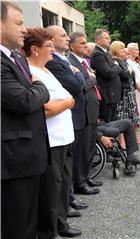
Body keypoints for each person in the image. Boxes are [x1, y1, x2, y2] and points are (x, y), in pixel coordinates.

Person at [1, 2, 50, 238]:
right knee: (17, 226)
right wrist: (40, 87)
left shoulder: (14, 58)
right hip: (13, 161)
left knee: (30, 221)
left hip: (29, 155)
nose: (24, 29)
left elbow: (31, 94)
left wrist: (35, 90)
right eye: (18, 23)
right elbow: (24, 101)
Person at [23, 27, 77, 239]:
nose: (52, 51)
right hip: (50, 140)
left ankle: (61, 223)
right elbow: (46, 109)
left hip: (63, 137)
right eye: (49, 46)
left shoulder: (46, 70)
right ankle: (49, 231)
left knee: (63, 184)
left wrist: (64, 102)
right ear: (35, 50)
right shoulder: (31, 73)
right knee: (50, 189)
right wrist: (68, 102)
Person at [45, 25, 89, 237]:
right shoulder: (52, 63)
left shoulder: (62, 61)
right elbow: (74, 86)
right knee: (59, 176)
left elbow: (79, 82)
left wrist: (79, 76)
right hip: (58, 130)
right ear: (50, 41)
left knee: (66, 171)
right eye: (62, 35)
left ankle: (66, 207)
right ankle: (60, 218)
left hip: (69, 124)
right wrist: (80, 75)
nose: (66, 37)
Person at [68, 31, 103, 191]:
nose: (85, 46)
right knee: (81, 150)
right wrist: (92, 78)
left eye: (85, 42)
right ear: (72, 46)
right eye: (81, 43)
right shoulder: (71, 62)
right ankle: (80, 182)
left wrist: (89, 79)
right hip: (81, 112)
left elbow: (86, 82)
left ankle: (86, 177)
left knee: (89, 148)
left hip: (91, 110)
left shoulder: (83, 62)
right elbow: (80, 86)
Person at [110, 41, 140, 146]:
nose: (124, 51)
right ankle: (122, 142)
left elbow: (130, 74)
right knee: (122, 117)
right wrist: (128, 71)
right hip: (123, 93)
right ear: (116, 50)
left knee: (132, 116)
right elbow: (124, 74)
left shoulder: (123, 61)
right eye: (122, 49)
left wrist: (129, 71)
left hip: (130, 90)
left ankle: (132, 139)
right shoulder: (115, 61)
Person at [90, 29, 122, 122]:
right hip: (107, 95)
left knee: (114, 122)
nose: (109, 40)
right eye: (106, 38)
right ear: (98, 40)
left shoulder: (105, 53)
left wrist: (115, 66)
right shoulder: (97, 54)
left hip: (112, 94)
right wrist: (117, 66)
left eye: (109, 38)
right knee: (109, 123)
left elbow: (112, 70)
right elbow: (109, 73)